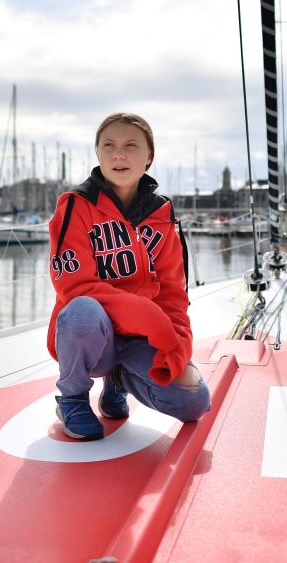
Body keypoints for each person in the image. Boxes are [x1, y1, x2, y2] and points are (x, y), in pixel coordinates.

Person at [46, 112, 211, 441]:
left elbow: (174, 295)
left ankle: (117, 382)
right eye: (108, 145)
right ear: (98, 154)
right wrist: (149, 316)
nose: (118, 153)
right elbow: (74, 285)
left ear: (148, 157)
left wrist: (178, 346)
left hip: (140, 340)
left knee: (194, 401)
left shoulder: (162, 215)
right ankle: (72, 397)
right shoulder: (76, 206)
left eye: (130, 145)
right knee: (82, 309)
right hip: (94, 335)